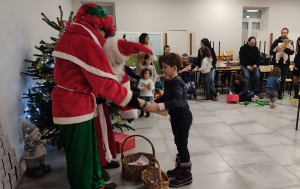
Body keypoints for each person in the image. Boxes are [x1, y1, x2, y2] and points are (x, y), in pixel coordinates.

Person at [51, 3, 141, 189]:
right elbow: (105, 83)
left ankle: (96, 183)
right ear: (98, 26)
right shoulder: (83, 42)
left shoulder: (75, 37)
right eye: (105, 34)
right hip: (73, 108)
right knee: (80, 158)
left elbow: (89, 79)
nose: (105, 39)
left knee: (89, 151)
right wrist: (136, 102)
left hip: (80, 106)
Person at [144, 53, 193, 188]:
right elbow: (167, 98)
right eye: (162, 67)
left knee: (182, 145)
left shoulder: (177, 81)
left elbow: (177, 101)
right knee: (178, 142)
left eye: (165, 67)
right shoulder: (169, 80)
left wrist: (158, 106)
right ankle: (180, 167)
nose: (163, 70)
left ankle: (186, 174)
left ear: (175, 68)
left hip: (183, 118)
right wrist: (155, 102)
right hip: (176, 118)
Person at [270, 28, 294, 99]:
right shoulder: (276, 41)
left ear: (287, 33)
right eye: (282, 33)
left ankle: (280, 93)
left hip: (285, 63)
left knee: (283, 79)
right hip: (277, 62)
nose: (283, 34)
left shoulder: (290, 42)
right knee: (275, 78)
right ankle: (273, 93)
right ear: (281, 33)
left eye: (285, 33)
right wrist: (278, 50)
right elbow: (271, 51)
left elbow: (292, 52)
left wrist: (285, 48)